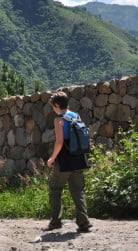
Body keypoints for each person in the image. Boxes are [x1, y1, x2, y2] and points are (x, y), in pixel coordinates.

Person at [44, 91, 92, 233]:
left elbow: (59, 142)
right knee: (78, 190)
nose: (53, 108)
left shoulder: (59, 120)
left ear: (57, 105)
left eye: (53, 106)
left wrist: (52, 158)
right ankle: (83, 222)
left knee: (54, 188)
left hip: (65, 160)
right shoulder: (75, 115)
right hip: (79, 158)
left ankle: (55, 222)